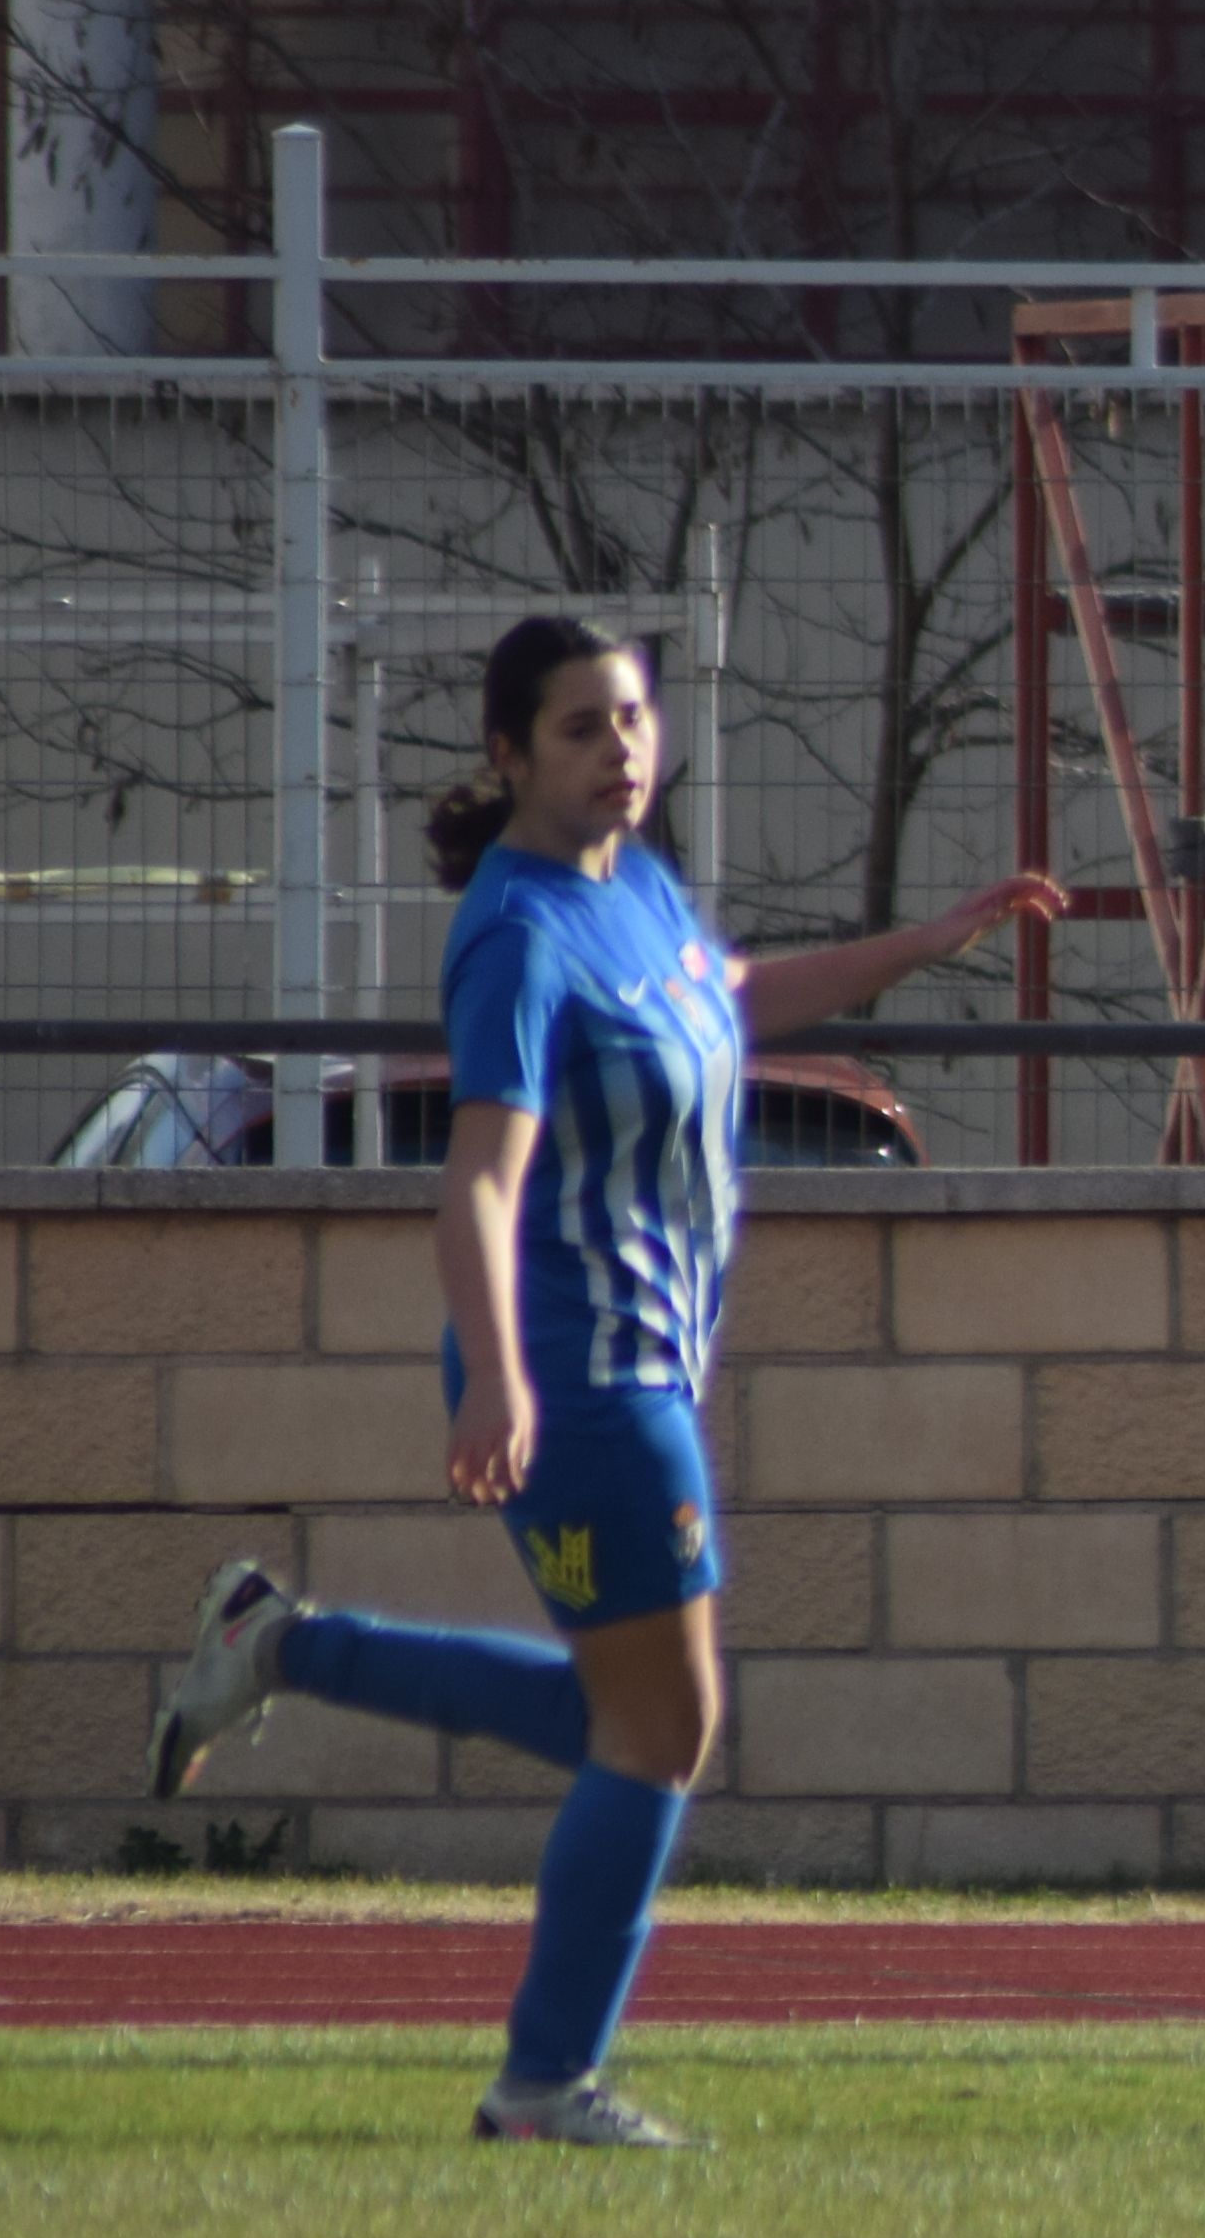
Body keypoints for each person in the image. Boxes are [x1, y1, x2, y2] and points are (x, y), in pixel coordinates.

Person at [146, 613, 1057, 2147]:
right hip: (581, 1372)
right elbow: (481, 1187)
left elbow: (729, 1002)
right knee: (664, 1728)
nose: (618, 751)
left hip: (640, 1363)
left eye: (631, 721)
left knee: (619, 1719)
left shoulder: (633, 886)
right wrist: (499, 1382)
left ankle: (283, 1646)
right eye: (580, 728)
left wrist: (932, 942)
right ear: (508, 757)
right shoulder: (515, 931)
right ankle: (543, 2083)